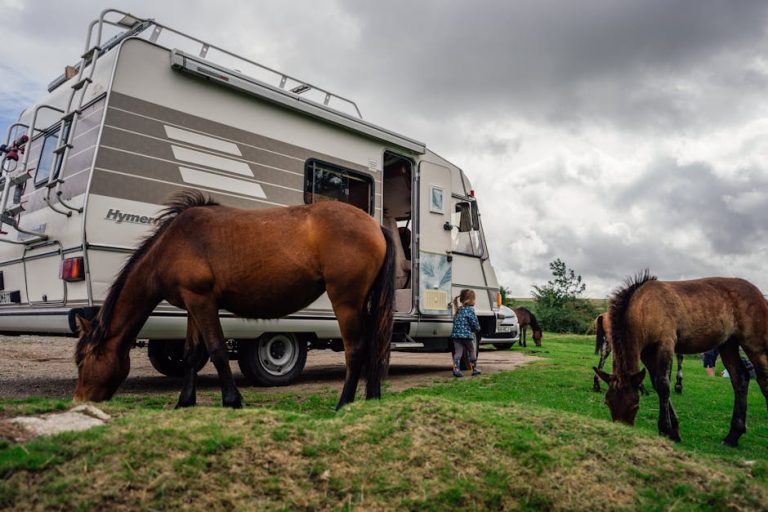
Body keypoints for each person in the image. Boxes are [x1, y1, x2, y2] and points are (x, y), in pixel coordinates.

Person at [450, 289, 481, 378]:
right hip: (466, 335)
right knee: (471, 350)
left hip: (456, 336)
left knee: (458, 352)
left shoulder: (458, 310)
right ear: (471, 300)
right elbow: (474, 323)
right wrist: (477, 329)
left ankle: (456, 369)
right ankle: (474, 369)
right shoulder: (470, 310)